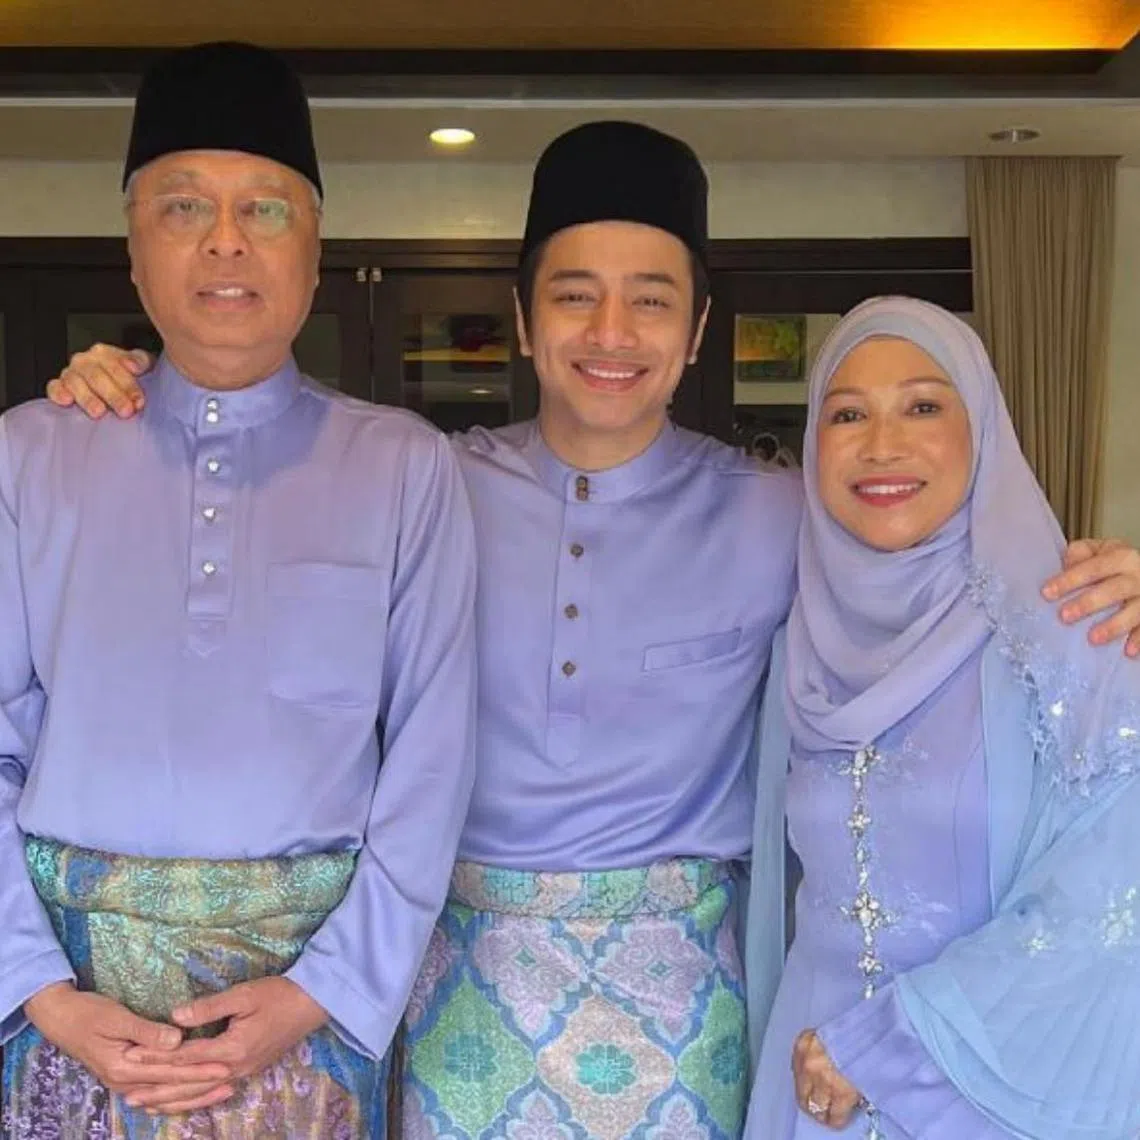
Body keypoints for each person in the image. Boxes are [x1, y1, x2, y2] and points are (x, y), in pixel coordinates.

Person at [45, 125, 1140, 1140]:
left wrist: (1113, 580)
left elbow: (921, 551)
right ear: (523, 320)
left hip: (682, 1010)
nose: (611, 335)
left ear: (699, 328)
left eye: (653, 301)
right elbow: (275, 441)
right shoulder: (423, 481)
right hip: (459, 992)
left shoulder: (776, 512)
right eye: (575, 297)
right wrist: (147, 382)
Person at [0, 41, 476, 1139]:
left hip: (301, 1023)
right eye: (182, 207)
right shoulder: (30, 456)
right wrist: (42, 992)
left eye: (266, 208)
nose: (225, 239)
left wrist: (317, 998)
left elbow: (431, 763)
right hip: (69, 1018)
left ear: (315, 251)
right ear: (132, 252)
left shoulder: (403, 466)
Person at [743, 296, 1140, 1139]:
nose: (883, 445)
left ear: (983, 430)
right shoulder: (795, 643)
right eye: (847, 414)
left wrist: (889, 1043)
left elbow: (1113, 902)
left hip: (987, 1099)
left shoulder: (1082, 632)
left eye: (923, 406)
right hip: (808, 1095)